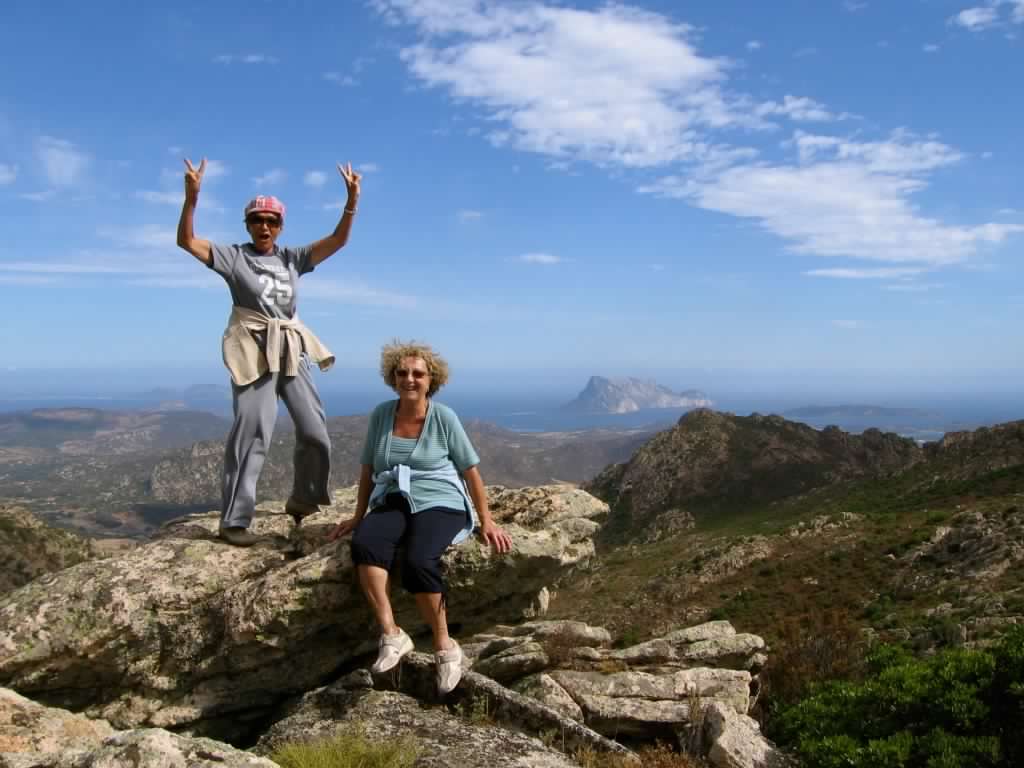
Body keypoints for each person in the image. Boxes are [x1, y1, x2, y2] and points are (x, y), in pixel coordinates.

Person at [176, 157, 361, 547]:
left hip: (291, 347)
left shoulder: (292, 258)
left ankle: (304, 498)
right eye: (257, 220)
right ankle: (234, 521)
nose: (264, 226)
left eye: (272, 221)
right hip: (253, 349)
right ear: (247, 224)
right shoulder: (234, 257)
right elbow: (187, 242)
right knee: (252, 431)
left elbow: (338, 241)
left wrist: (351, 202)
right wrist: (191, 199)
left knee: (314, 431)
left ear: (280, 226)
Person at [329, 341, 513, 693]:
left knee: (418, 560)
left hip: (441, 500)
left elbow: (470, 470)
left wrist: (486, 519)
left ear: (431, 380)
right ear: (392, 377)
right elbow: (368, 468)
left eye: (418, 374)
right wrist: (357, 516)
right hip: (393, 498)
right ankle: (392, 634)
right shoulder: (382, 415)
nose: (409, 379)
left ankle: (445, 647)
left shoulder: (443, 417)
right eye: (402, 373)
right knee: (366, 544)